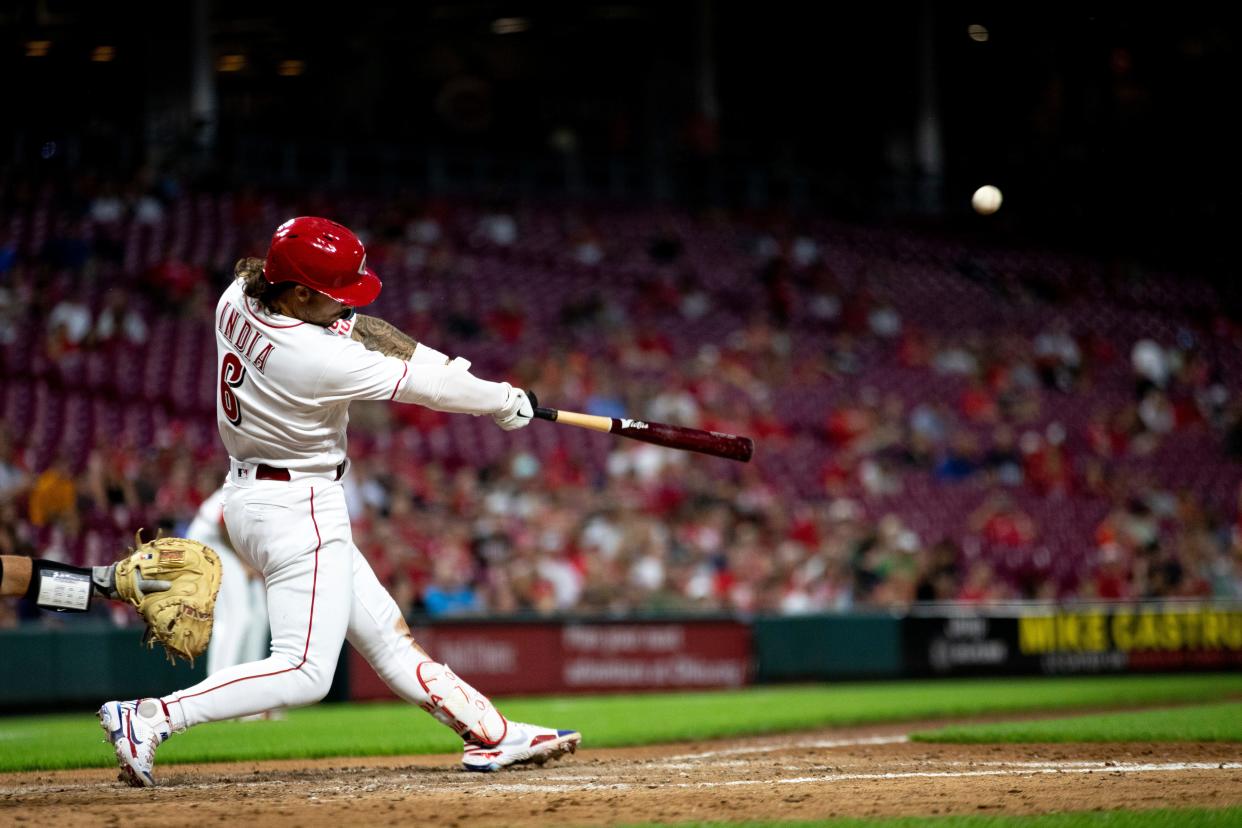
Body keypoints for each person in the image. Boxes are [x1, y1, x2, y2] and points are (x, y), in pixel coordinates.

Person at [98, 216, 579, 787]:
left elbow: (366, 331)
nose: (343, 306)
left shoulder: (238, 298)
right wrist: (502, 400)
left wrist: (448, 364)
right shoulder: (312, 358)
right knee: (305, 671)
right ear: (299, 292)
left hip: (255, 495)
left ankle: (493, 735)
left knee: (386, 637)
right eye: (332, 294)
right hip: (297, 504)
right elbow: (427, 391)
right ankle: (151, 716)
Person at [189, 485, 280, 719]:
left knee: (259, 617)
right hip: (208, 541)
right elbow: (222, 525)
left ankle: (249, 702)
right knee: (235, 618)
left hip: (231, 545)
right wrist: (244, 562)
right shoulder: (250, 484)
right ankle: (216, 695)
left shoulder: (279, 498)